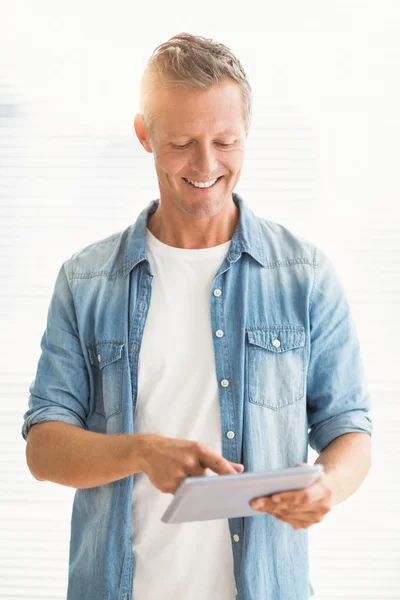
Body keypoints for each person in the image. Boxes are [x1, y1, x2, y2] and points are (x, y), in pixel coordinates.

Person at [22, 32, 373, 600]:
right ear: (145, 135)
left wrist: (326, 487)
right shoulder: (85, 283)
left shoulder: (304, 276)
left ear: (247, 135)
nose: (206, 165)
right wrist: (140, 451)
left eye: (225, 141)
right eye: (183, 141)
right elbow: (43, 448)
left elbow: (350, 429)